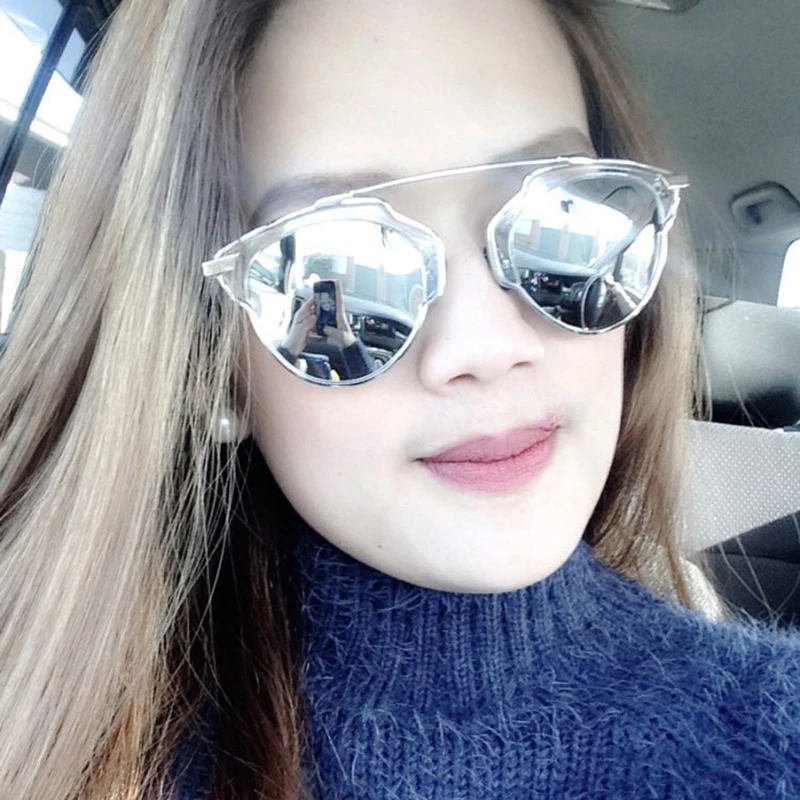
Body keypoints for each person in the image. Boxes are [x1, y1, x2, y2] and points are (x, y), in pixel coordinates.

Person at [1, 0, 799, 798]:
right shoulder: (61, 742)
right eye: (337, 272)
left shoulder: (772, 738)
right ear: (212, 366)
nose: (485, 346)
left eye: (563, 224)